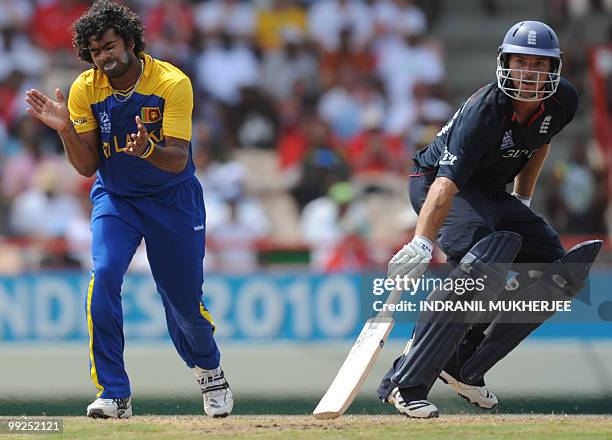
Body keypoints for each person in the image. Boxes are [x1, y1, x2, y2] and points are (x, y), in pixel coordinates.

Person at [375, 20, 602, 418]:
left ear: (555, 69)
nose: (529, 73)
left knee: (552, 265)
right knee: (487, 258)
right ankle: (405, 381)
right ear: (505, 64)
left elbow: (539, 146)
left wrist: (523, 201)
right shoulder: (484, 112)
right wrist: (422, 243)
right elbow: (445, 185)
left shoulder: (563, 100)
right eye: (521, 62)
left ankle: (462, 363)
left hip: (493, 194)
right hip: (438, 186)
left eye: (539, 64)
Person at [24, 0, 233, 419]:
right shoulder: (86, 87)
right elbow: (86, 166)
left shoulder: (173, 82)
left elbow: (177, 159)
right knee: (102, 277)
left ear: (132, 41)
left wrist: (149, 149)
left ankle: (210, 373)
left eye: (110, 46)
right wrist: (66, 130)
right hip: (117, 199)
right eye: (95, 50)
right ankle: (115, 393)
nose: (104, 56)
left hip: (173, 201)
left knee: (183, 303)